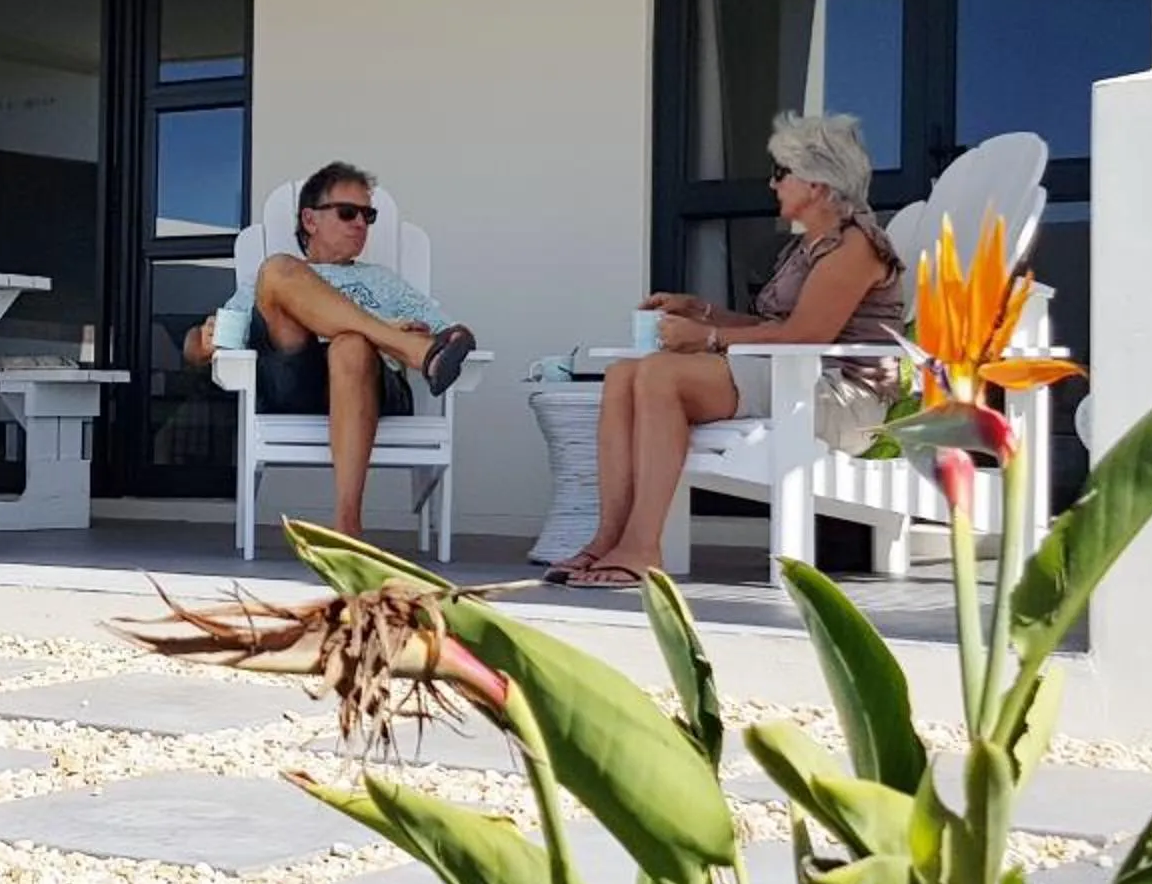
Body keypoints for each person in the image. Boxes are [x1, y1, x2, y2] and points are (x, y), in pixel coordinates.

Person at [548, 112, 905, 589]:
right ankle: (608, 537)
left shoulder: (854, 246)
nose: (771, 183)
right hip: (792, 378)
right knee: (622, 374)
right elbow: (775, 327)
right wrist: (704, 311)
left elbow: (804, 336)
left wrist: (710, 339)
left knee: (660, 375)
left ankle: (641, 546)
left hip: (840, 398)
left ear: (817, 184)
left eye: (781, 173)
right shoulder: (808, 248)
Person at [184, 161, 479, 535]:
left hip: (371, 386)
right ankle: (402, 345)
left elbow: (450, 337)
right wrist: (202, 342)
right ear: (310, 219)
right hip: (295, 384)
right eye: (347, 212)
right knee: (276, 270)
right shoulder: (280, 277)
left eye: (368, 215)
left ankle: (347, 524)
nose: (360, 223)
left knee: (350, 345)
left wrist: (455, 333)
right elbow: (195, 348)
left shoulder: (383, 281)